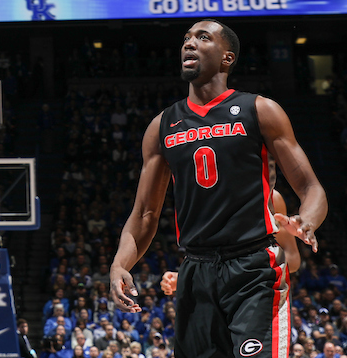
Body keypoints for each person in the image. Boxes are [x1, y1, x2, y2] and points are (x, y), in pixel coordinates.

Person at [109, 19, 327, 358]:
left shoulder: (261, 110)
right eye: (186, 39)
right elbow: (146, 213)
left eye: (202, 37)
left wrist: (307, 220)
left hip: (253, 266)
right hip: (196, 271)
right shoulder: (162, 125)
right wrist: (121, 263)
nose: (189, 44)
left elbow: (311, 187)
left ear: (227, 58)